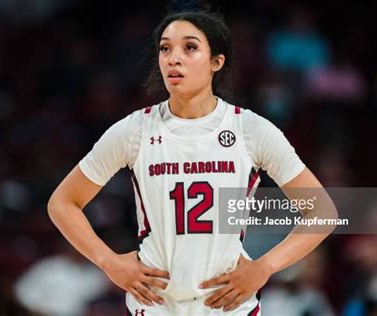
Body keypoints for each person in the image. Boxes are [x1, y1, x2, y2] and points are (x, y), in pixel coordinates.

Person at [47, 9, 337, 315]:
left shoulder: (251, 130)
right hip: (156, 304)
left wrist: (264, 266)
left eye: (190, 47)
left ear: (216, 62)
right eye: (165, 48)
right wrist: (109, 262)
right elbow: (63, 203)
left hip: (229, 306)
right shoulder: (134, 130)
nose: (173, 58)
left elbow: (322, 211)